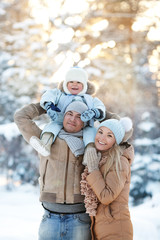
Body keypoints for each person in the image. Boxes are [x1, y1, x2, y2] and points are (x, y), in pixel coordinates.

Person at [14, 101, 92, 240]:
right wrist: (51, 104)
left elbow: (121, 131)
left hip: (80, 219)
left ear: (85, 121)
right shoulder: (46, 139)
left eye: (79, 116)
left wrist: (99, 111)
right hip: (50, 218)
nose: (72, 119)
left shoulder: (91, 143)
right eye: (69, 113)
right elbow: (21, 117)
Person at [29, 66, 106, 157]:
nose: (75, 84)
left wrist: (95, 112)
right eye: (71, 82)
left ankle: (90, 154)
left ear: (84, 85)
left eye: (78, 82)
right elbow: (49, 95)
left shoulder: (89, 98)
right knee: (51, 127)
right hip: (60, 120)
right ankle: (45, 144)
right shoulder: (60, 94)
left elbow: (100, 106)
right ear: (66, 84)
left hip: (84, 123)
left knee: (91, 133)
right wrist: (49, 105)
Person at [80, 117, 134, 240]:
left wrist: (93, 169)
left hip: (116, 229)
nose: (102, 138)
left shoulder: (119, 161)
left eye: (109, 135)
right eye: (100, 132)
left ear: (116, 141)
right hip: (101, 227)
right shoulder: (100, 158)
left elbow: (106, 196)